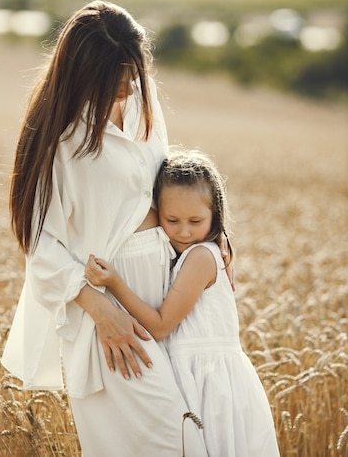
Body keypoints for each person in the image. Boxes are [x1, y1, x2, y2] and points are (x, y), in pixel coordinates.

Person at [1, 0, 208, 456]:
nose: (125, 89)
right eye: (112, 82)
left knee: (196, 429)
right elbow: (40, 244)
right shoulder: (58, 137)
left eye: (130, 76)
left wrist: (212, 240)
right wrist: (100, 310)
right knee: (176, 443)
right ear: (80, 74)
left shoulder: (142, 97)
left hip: (167, 300)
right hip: (112, 312)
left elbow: (168, 188)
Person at [86, 148, 281, 457]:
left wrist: (114, 283)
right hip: (195, 375)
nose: (184, 231)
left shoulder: (201, 257)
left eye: (196, 220)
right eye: (172, 220)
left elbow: (161, 326)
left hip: (211, 387)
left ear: (215, 215)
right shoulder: (192, 253)